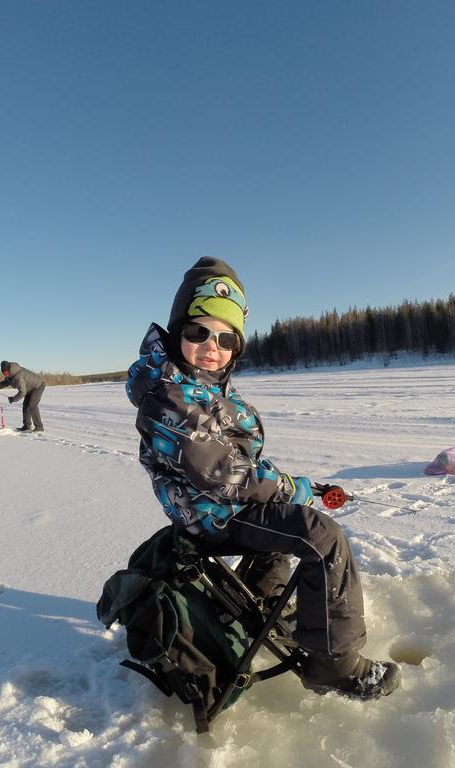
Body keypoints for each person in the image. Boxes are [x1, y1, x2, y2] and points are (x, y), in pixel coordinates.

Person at [125, 257, 400, 700]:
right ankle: (334, 663)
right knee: (320, 536)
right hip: (211, 513)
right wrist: (295, 486)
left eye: (226, 337)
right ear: (177, 332)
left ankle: (266, 600)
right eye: (198, 332)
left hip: (217, 504)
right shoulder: (169, 397)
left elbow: (236, 468)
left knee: (280, 517)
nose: (211, 345)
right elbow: (224, 472)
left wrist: (284, 490)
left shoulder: (200, 386)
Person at [0, 361, 45, 433]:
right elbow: (6, 382)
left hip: (38, 386)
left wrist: (13, 399)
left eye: (6, 372)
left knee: (31, 406)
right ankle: (27, 426)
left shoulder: (18, 376)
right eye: (3, 373)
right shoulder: (10, 375)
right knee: (25, 405)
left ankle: (39, 426)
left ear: (9, 369)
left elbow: (22, 392)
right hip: (29, 388)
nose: (5, 374)